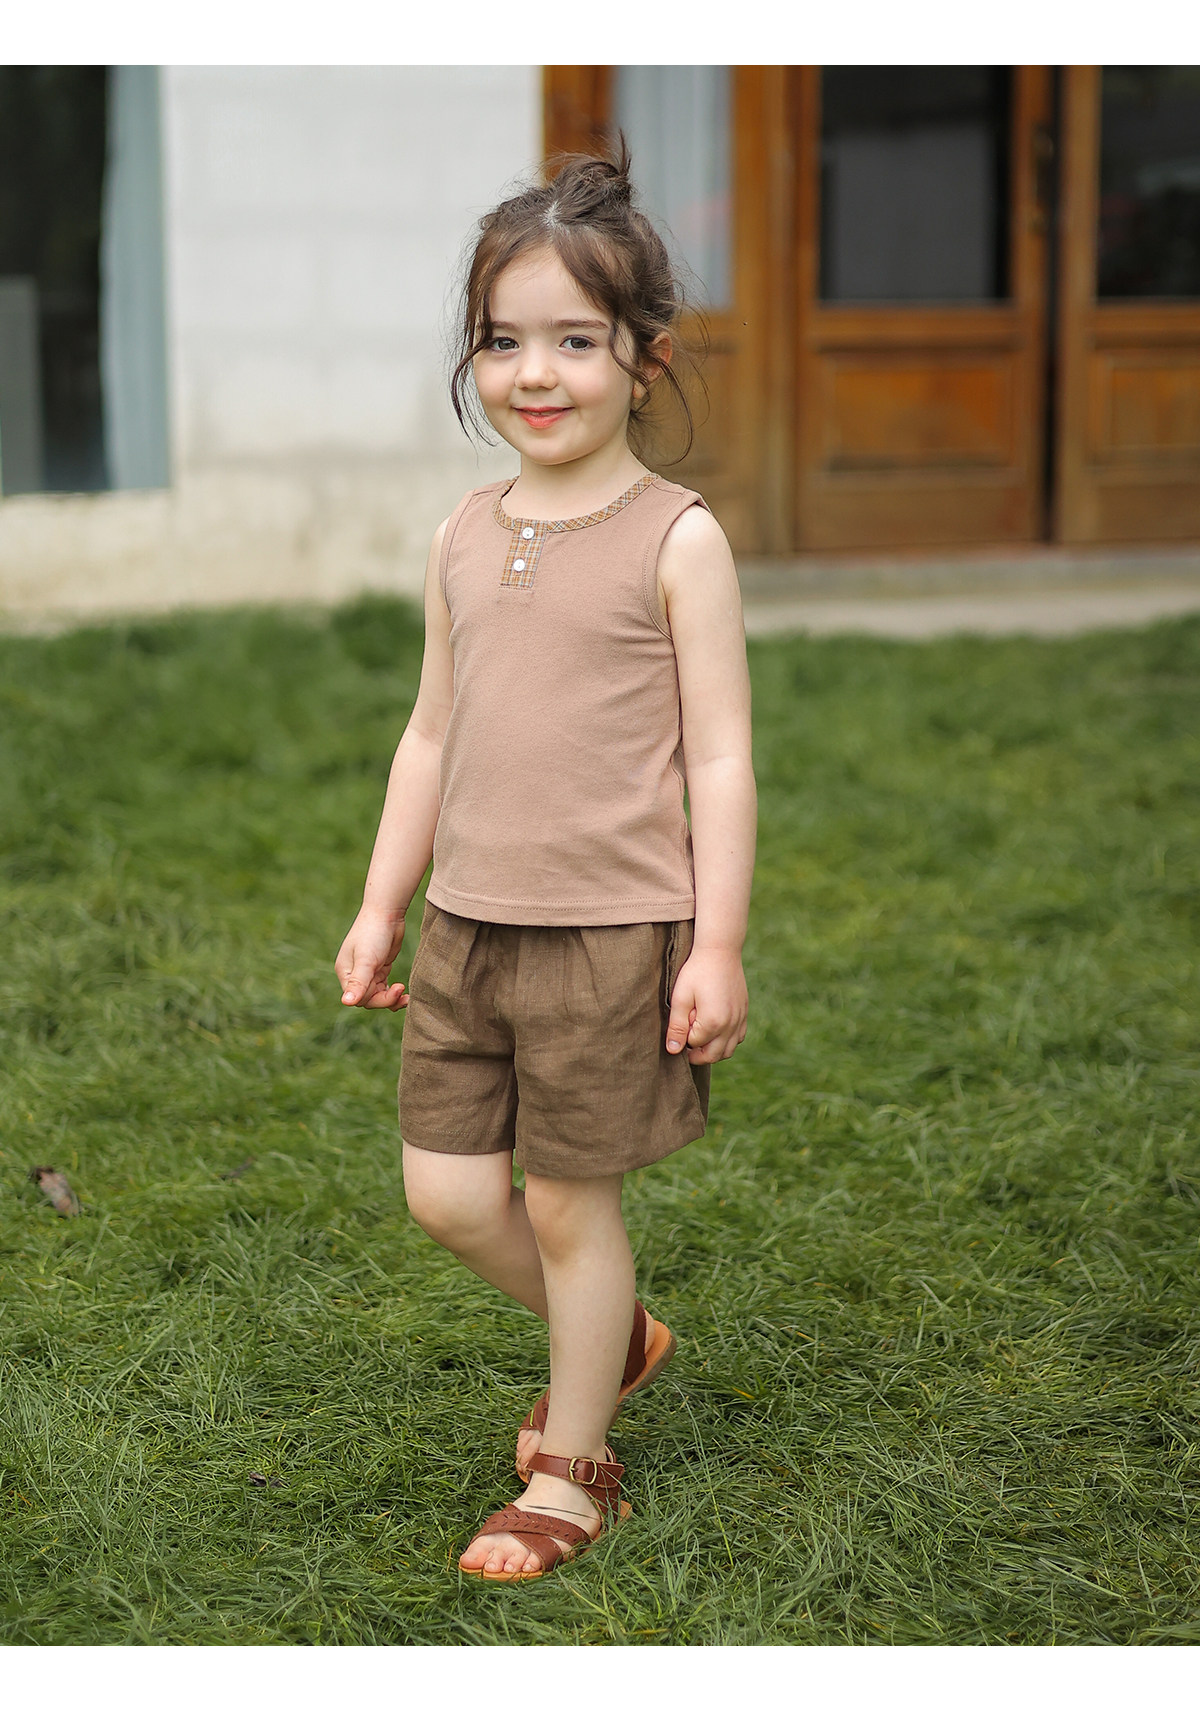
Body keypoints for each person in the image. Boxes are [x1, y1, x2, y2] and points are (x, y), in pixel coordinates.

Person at [335, 141, 756, 1582]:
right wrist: (382, 904)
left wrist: (715, 944)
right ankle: (615, 1336)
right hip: (468, 929)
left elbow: (720, 760)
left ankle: (574, 1468)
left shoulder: (677, 541)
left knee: (575, 1205)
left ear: (645, 358)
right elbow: (431, 732)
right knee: (449, 1198)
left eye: (575, 340)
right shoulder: (464, 534)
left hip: (609, 935)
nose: (536, 373)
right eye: (504, 340)